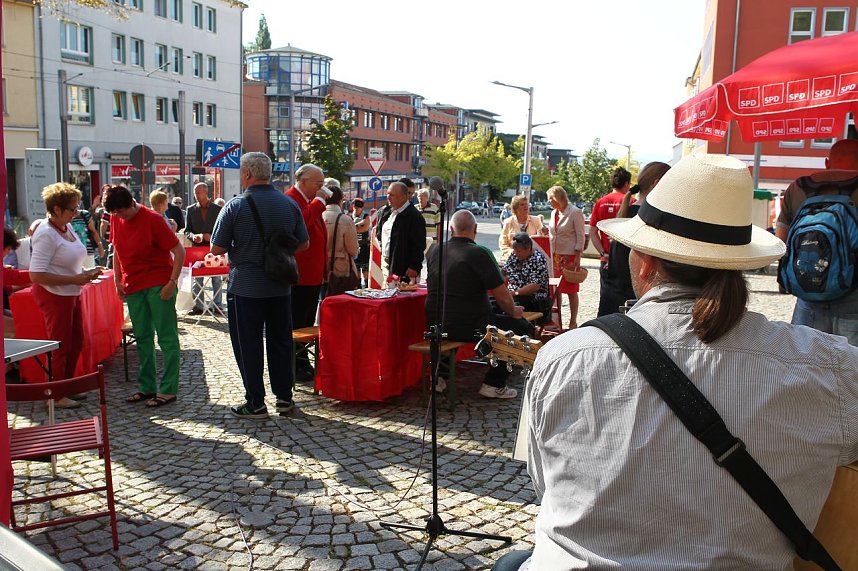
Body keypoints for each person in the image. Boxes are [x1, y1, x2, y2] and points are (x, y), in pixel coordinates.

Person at [494, 154, 858, 571]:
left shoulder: (562, 357)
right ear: (739, 264)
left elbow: (547, 488)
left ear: (646, 261)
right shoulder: (831, 368)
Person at [211, 152, 309, 419]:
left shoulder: (235, 206)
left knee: (248, 343)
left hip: (246, 286)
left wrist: (244, 248)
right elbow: (303, 243)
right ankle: (285, 399)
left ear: (246, 174)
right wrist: (278, 251)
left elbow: (217, 246)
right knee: (280, 341)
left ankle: (255, 402)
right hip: (280, 284)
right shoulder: (288, 204)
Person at [426, 210, 531, 399]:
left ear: (451, 229)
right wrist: (514, 311)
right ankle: (494, 384)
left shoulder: (434, 250)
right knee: (522, 328)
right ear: (475, 229)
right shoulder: (480, 252)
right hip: (471, 324)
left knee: (455, 325)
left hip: (436, 321)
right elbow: (503, 297)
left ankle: (440, 378)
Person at [104, 185, 185, 408]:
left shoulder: (154, 220)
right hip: (134, 286)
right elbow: (117, 250)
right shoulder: (116, 217)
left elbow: (179, 251)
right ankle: (147, 386)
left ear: (131, 203)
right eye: (115, 213)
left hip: (159, 284)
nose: (119, 216)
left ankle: (168, 389)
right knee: (142, 337)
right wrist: (117, 279)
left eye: (122, 211)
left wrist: (172, 282)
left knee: (167, 338)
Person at [775, 138, 858, 345]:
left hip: (808, 293)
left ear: (827, 162)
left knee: (805, 366)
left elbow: (780, 244)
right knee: (852, 371)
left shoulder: (798, 188)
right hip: (853, 300)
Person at [29, 182, 103, 408]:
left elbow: (67, 261)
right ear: (57, 209)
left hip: (70, 291)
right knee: (60, 345)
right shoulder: (46, 233)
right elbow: (36, 275)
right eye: (72, 209)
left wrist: (83, 274)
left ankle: (66, 386)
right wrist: (75, 279)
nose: (76, 212)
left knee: (76, 341)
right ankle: (54, 393)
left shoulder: (64, 226)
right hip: (54, 294)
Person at [596, 161, 673, 316]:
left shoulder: (628, 212)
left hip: (612, 300)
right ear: (657, 184)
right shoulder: (653, 220)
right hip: (634, 305)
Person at [286, 164, 329, 382]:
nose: (321, 188)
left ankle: (302, 362)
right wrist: (320, 202)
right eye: (318, 183)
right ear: (303, 181)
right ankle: (295, 364)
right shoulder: (292, 198)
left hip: (311, 275)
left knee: (306, 322)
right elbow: (302, 223)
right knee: (298, 323)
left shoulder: (305, 201)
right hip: (300, 275)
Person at [589, 166, 633, 316]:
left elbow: (593, 231)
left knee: (606, 297)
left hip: (606, 259)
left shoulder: (601, 202)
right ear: (627, 184)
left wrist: (603, 252)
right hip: (623, 260)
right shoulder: (631, 202)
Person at [546, 185, 586, 329]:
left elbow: (581, 235)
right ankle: (558, 320)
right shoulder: (553, 213)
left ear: (558, 198)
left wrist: (578, 255)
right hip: (555, 256)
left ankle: (573, 321)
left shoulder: (575, 212)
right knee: (556, 290)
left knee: (571, 290)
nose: (549, 202)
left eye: (551, 198)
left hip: (569, 256)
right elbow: (553, 232)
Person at [374, 182, 426, 284]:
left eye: (392, 195)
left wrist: (414, 266)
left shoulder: (414, 216)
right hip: (386, 264)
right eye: (387, 194)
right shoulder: (386, 212)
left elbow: (419, 245)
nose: (388, 197)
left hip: (403, 268)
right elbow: (379, 234)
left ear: (403, 197)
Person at [185, 182, 224, 315]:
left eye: (198, 193)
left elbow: (222, 230)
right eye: (195, 193)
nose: (196, 195)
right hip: (197, 249)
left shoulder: (217, 209)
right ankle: (199, 306)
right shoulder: (191, 209)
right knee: (197, 278)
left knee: (216, 278)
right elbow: (186, 230)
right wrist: (193, 236)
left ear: (206, 193)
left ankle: (218, 305)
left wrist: (211, 236)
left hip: (213, 248)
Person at [502, 233, 550, 320]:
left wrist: (514, 293)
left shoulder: (538, 259)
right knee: (495, 302)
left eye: (519, 251)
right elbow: (504, 272)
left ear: (528, 249)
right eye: (515, 250)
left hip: (534, 300)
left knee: (508, 307)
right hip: (514, 295)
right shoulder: (514, 256)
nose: (516, 253)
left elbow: (535, 286)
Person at [321, 185, 359, 297]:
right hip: (340, 269)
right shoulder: (345, 219)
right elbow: (352, 250)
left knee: (324, 301)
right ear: (340, 200)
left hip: (321, 268)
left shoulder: (318, 216)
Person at [499, 195, 543, 261]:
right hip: (513, 259)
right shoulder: (508, 222)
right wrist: (512, 253)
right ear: (515, 208)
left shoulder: (536, 220)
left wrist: (544, 233)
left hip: (532, 259)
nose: (525, 206)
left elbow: (542, 240)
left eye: (526, 204)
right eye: (522, 205)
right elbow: (503, 243)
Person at [351, 198, 371, 288]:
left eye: (358, 207)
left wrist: (354, 226)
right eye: (355, 207)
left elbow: (365, 228)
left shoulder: (366, 216)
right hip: (355, 245)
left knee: (365, 267)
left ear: (362, 208)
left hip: (364, 245)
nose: (356, 209)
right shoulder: (350, 216)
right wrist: (359, 224)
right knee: (357, 267)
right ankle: (358, 284)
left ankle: (366, 283)